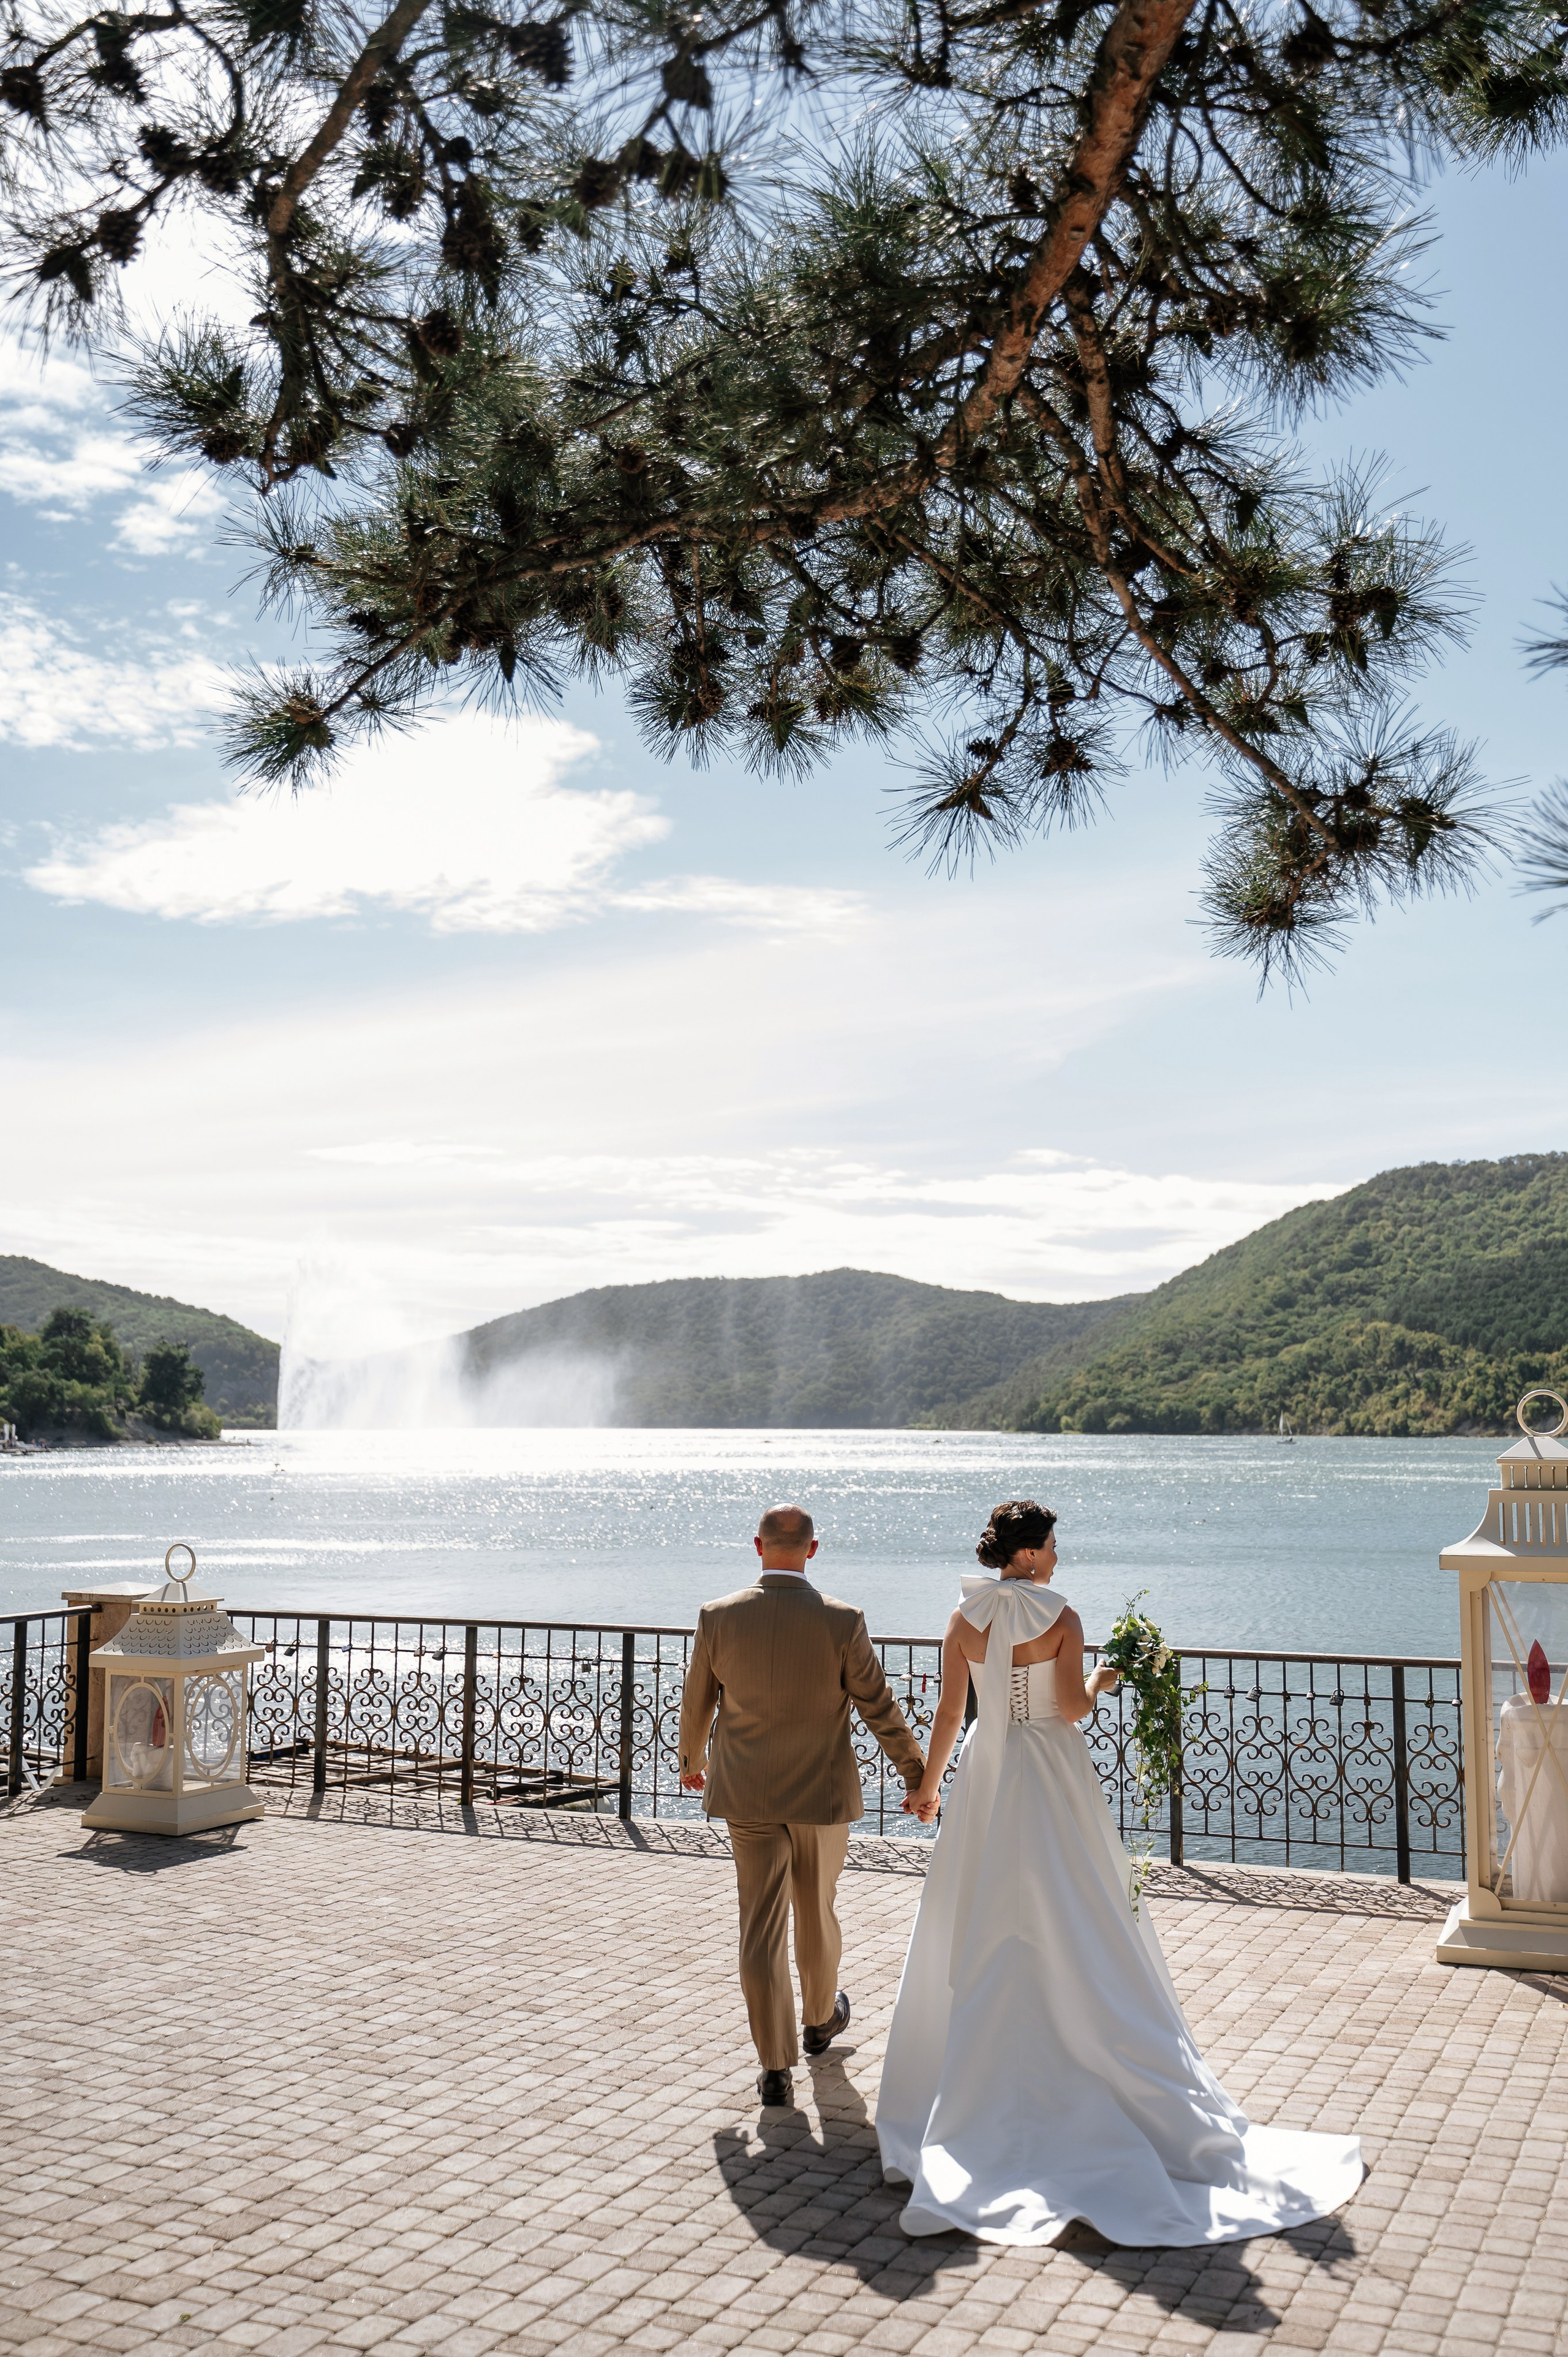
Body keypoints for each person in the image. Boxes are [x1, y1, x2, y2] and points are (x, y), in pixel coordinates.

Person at [876, 1498, 1363, 2247]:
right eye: (1053, 1544)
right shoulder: (1060, 1615)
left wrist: (929, 1786)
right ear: (1032, 1553)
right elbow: (1069, 1708)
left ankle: (963, 2094)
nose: (1058, 1556)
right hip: (1045, 1768)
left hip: (983, 1771)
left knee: (976, 1906)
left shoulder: (962, 1616)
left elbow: (949, 1711)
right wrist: (1103, 1679)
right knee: (1073, 1907)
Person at [678, 1503, 927, 2109]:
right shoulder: (842, 1621)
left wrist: (691, 1760)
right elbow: (878, 1706)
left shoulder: (718, 1616)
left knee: (759, 1928)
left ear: (757, 1546)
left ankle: (774, 2067)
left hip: (747, 1792)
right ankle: (820, 2021)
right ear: (812, 1549)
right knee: (816, 1911)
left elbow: (698, 1700)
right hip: (820, 1794)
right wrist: (918, 1774)